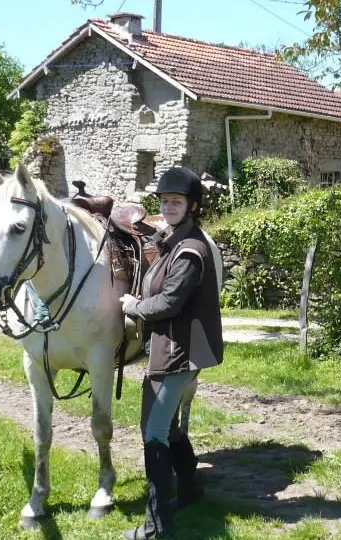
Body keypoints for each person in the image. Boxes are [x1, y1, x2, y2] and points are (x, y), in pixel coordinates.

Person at [119, 166, 223, 539]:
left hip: (180, 351)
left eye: (175, 202)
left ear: (192, 206)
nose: (167, 207)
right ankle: (192, 488)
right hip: (176, 347)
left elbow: (170, 303)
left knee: (154, 433)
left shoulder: (190, 250)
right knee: (167, 426)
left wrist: (133, 306)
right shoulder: (176, 241)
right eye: (164, 201)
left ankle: (156, 528)